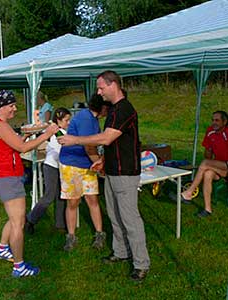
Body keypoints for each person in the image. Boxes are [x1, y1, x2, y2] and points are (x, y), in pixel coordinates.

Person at [58, 70, 150, 281]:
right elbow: (115, 143)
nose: (98, 93)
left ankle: (141, 263)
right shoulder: (114, 110)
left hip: (125, 173)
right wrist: (103, 161)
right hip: (112, 170)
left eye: (101, 88)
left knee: (130, 218)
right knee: (114, 215)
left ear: (113, 85)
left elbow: (107, 139)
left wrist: (75, 140)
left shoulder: (125, 109)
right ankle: (120, 252)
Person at [0, 90, 58, 278]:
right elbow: (21, 148)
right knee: (18, 223)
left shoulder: (0, 126)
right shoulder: (1, 126)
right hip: (8, 179)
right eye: (11, 105)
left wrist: (27, 135)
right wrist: (47, 134)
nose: (15, 108)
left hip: (6, 178)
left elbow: (14, 145)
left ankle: (3, 248)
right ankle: (19, 266)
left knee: (13, 218)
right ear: (2, 107)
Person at [59, 93, 108, 252]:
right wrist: (99, 164)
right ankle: (71, 236)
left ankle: (99, 233)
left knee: (92, 199)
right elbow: (88, 146)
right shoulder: (86, 119)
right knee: (73, 202)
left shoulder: (92, 119)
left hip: (87, 164)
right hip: (72, 164)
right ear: (102, 107)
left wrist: (97, 162)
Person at [181, 110, 228, 217]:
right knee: (208, 173)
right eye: (213, 120)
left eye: (217, 120)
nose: (214, 122)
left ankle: (189, 193)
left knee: (205, 163)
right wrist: (208, 148)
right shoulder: (210, 131)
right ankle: (207, 209)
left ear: (225, 122)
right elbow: (208, 154)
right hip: (220, 166)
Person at [25, 108, 72, 234]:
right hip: (51, 167)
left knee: (61, 196)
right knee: (49, 196)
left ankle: (60, 224)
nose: (69, 122)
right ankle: (30, 219)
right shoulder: (57, 133)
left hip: (61, 167)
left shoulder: (63, 131)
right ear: (58, 120)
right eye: (66, 120)